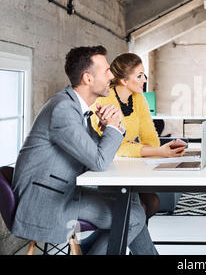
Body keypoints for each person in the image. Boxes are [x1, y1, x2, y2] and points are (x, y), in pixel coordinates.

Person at [12, 46, 158, 255]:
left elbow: (98, 152)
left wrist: (108, 127)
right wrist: (114, 127)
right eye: (107, 71)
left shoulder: (75, 107)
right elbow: (99, 162)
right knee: (132, 216)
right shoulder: (64, 109)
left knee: (131, 206)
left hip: (61, 191)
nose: (112, 75)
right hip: (47, 201)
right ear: (88, 78)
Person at [91, 52, 186, 221]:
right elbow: (115, 147)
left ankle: (127, 241)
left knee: (153, 202)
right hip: (108, 168)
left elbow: (150, 137)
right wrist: (156, 150)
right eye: (140, 76)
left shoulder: (138, 99)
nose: (145, 80)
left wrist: (158, 149)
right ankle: (116, 245)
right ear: (124, 81)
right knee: (139, 208)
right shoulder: (104, 101)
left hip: (130, 165)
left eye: (144, 75)